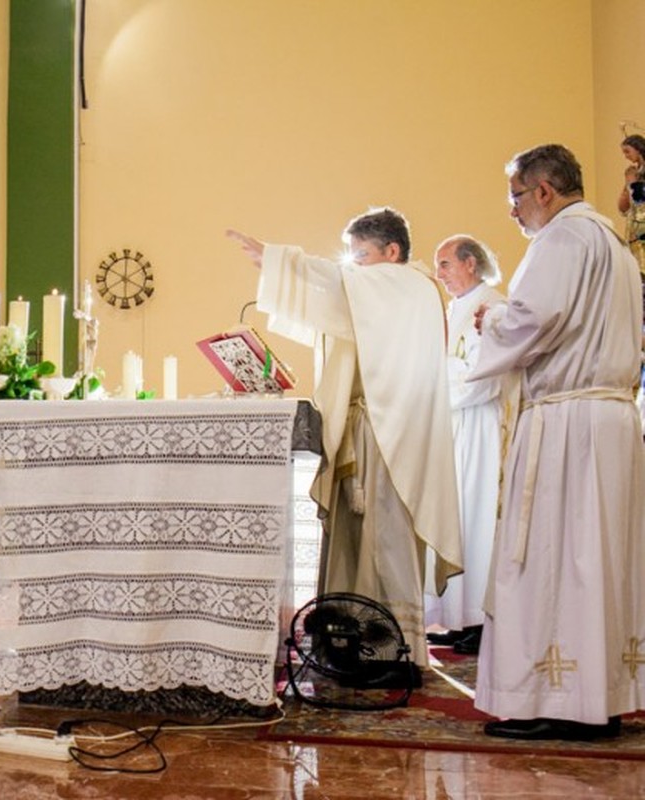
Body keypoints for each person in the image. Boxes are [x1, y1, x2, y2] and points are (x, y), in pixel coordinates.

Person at [227, 208, 462, 670]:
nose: (353, 266)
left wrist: (280, 263)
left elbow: (335, 284)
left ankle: (394, 646)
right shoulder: (383, 293)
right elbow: (334, 305)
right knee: (354, 541)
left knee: (385, 538)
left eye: (361, 255)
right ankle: (349, 640)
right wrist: (281, 273)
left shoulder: (410, 285)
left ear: (392, 252)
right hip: (363, 430)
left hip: (389, 435)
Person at [471, 144, 645, 741]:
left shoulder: (563, 240)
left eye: (516, 197)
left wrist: (489, 320)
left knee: (555, 558)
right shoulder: (613, 245)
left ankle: (561, 701)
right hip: (611, 420)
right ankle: (602, 698)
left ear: (543, 191)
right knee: (600, 561)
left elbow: (532, 320)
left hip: (568, 424)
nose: (514, 212)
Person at [422, 236, 507, 656]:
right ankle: (455, 618)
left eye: (445, 264)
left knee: (475, 520)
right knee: (453, 520)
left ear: (471, 263)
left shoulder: (491, 306)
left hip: (477, 425)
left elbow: (485, 376)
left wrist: (439, 380)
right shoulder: (455, 308)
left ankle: (479, 619)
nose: (440, 274)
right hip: (452, 425)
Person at [617, 133, 645, 274]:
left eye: (627, 151)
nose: (626, 156)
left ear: (638, 149)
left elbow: (640, 201)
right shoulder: (632, 172)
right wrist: (628, 184)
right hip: (634, 228)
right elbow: (623, 207)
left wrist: (633, 183)